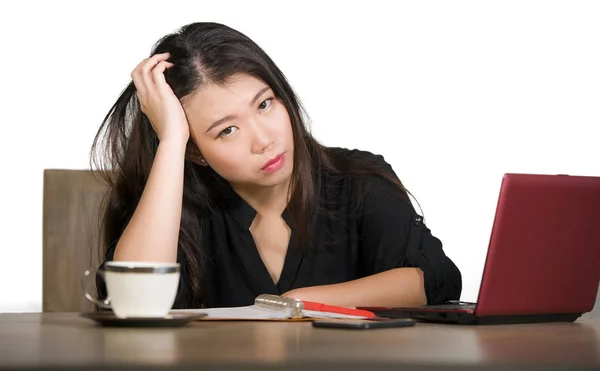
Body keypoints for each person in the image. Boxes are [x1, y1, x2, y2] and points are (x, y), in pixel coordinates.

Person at [91, 22, 461, 309]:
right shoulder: (173, 209)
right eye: (227, 130)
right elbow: (132, 301)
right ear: (196, 152)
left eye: (264, 104)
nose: (263, 140)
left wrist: (294, 302)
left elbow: (435, 279)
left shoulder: (357, 181)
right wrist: (171, 140)